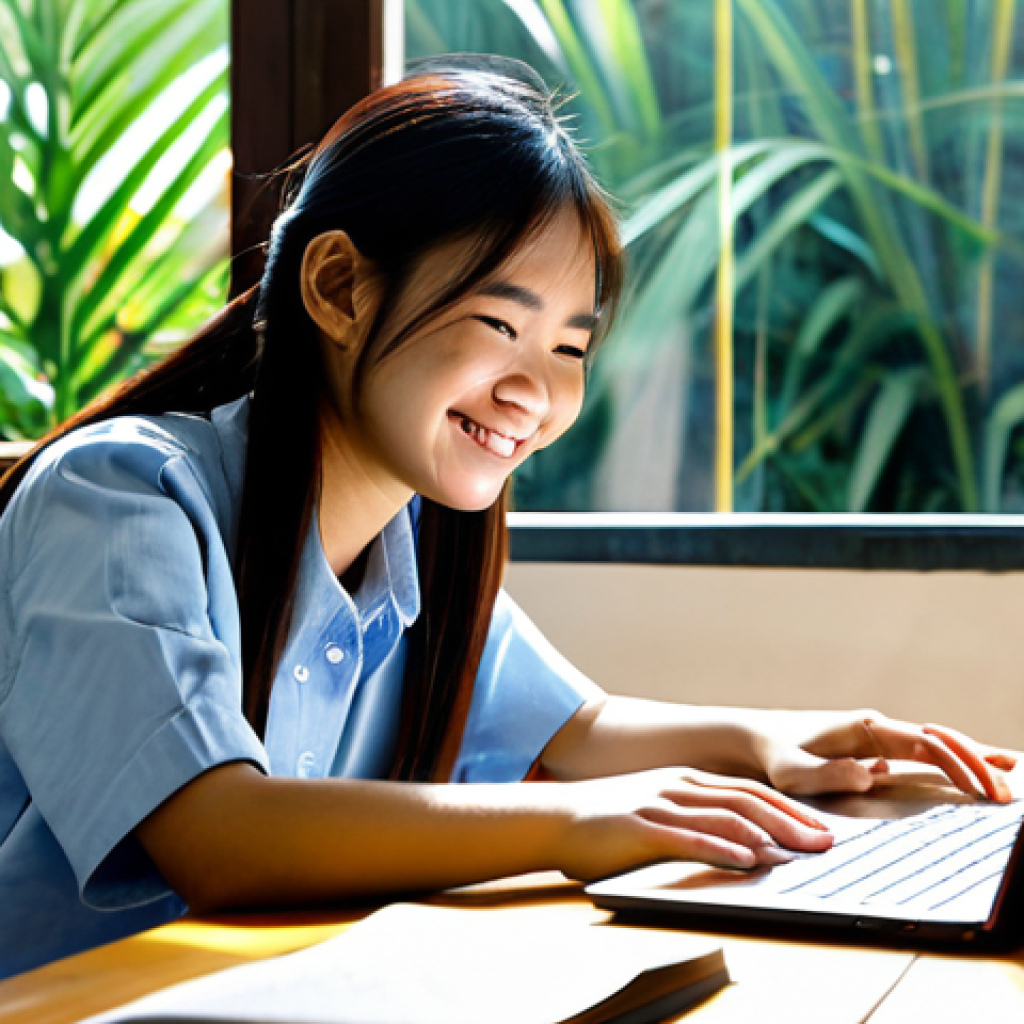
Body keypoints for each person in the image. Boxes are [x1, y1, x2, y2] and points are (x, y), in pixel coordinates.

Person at [0, 60, 1015, 980]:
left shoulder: (414, 548)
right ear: (339, 285)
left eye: (570, 348)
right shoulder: (121, 494)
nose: (536, 391)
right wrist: (579, 821)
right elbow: (218, 834)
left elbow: (574, 728)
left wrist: (775, 741)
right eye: (498, 324)